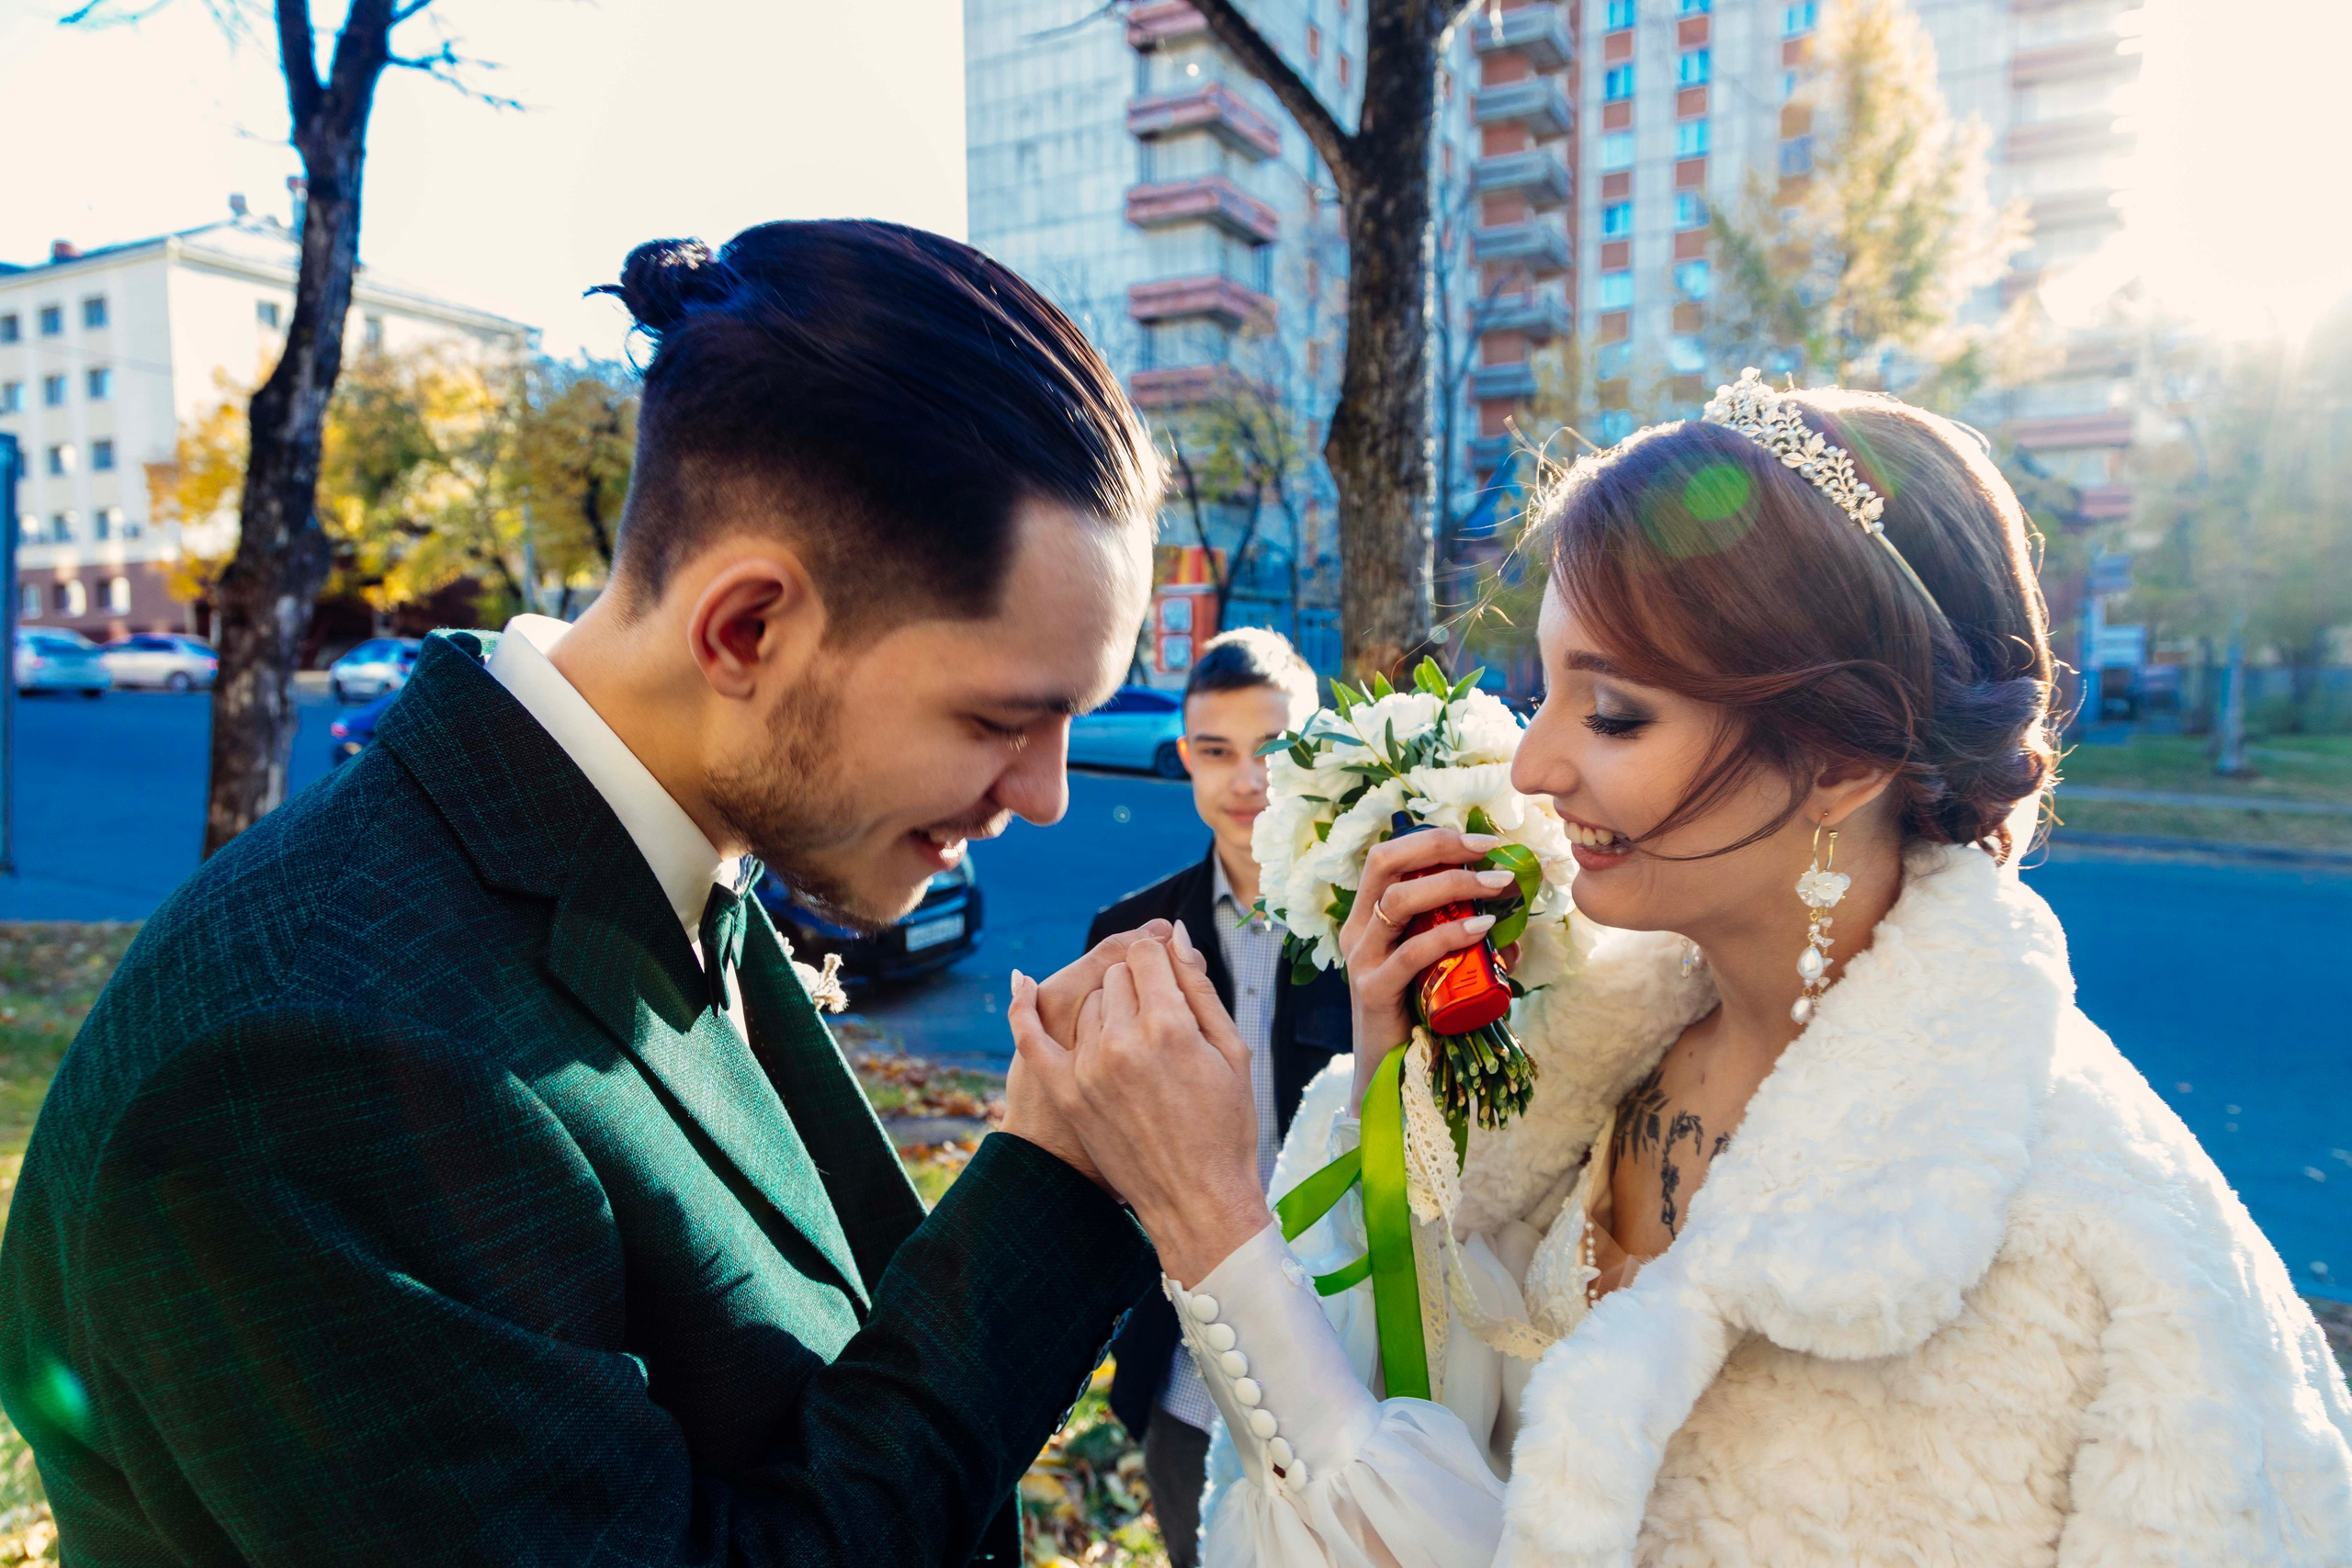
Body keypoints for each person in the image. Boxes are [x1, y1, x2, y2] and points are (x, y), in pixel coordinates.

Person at [0, 221, 1274, 1566]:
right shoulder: (303, 1071)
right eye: (1000, 717)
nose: (1049, 794)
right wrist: (1063, 1182)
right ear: (746, 629)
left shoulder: (636, 847)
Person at [1016, 376, 2352, 1566]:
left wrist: (1212, 1223)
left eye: (1611, 711)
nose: (1532, 767)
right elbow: (1446, 1430)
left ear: (1843, 754)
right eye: (1539, 690)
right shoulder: (1583, 1045)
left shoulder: (2118, 1263)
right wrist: (1394, 1085)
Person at [1082, 628, 1350, 1565]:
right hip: (1192, 1381)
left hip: (1362, 1364)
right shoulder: (1125, 937)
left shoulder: (1380, 922)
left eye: (1275, 748)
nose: (1248, 780)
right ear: (1186, 758)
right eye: (1215, 751)